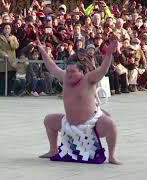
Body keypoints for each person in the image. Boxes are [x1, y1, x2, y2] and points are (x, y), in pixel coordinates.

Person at [37, 35, 121, 165]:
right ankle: (53, 150)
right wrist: (43, 51)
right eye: (68, 71)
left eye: (73, 72)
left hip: (91, 123)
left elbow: (103, 70)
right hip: (69, 123)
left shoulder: (89, 79)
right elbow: (52, 67)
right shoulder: (65, 77)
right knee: (49, 120)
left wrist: (108, 54)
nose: (69, 74)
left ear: (82, 72)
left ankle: (112, 156)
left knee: (111, 125)